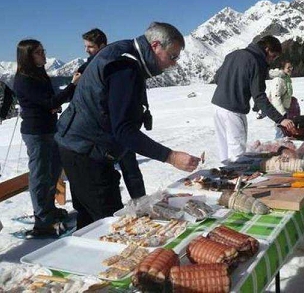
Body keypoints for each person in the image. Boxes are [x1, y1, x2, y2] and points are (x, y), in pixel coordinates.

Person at [55, 22, 200, 229]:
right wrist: (171, 156)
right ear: (156, 46)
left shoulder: (124, 53)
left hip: (79, 149)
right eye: (172, 56)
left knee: (89, 222)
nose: (173, 64)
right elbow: (123, 130)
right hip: (86, 152)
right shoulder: (126, 67)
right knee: (112, 226)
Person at [14, 39, 81, 238]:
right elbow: (49, 101)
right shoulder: (23, 79)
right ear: (28, 56)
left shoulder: (38, 73)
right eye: (39, 52)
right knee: (40, 175)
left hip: (49, 128)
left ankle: (49, 210)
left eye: (43, 51)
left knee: (52, 172)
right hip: (36, 132)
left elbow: (49, 100)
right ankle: (42, 220)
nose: (44, 55)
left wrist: (52, 105)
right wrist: (71, 86)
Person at [78, 28, 146, 200]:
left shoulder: (117, 66)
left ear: (102, 46)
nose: (87, 50)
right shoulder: (86, 67)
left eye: (90, 47)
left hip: (120, 125)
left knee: (130, 168)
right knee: (109, 173)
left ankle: (141, 203)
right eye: (86, 46)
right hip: (100, 132)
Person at [211, 35, 295, 164]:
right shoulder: (257, 62)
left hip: (217, 106)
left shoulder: (233, 54)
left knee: (224, 149)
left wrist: (232, 84)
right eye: (273, 56)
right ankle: (236, 179)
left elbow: (217, 78)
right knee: (237, 152)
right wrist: (281, 119)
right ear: (266, 49)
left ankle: (226, 179)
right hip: (234, 109)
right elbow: (259, 96)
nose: (271, 60)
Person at [267, 60, 294, 138]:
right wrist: (282, 113)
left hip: (285, 109)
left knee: (284, 132)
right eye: (288, 67)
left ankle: (282, 146)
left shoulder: (286, 78)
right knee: (281, 132)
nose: (290, 69)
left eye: (291, 67)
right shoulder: (278, 80)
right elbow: (275, 97)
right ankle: (278, 148)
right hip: (279, 111)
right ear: (282, 69)